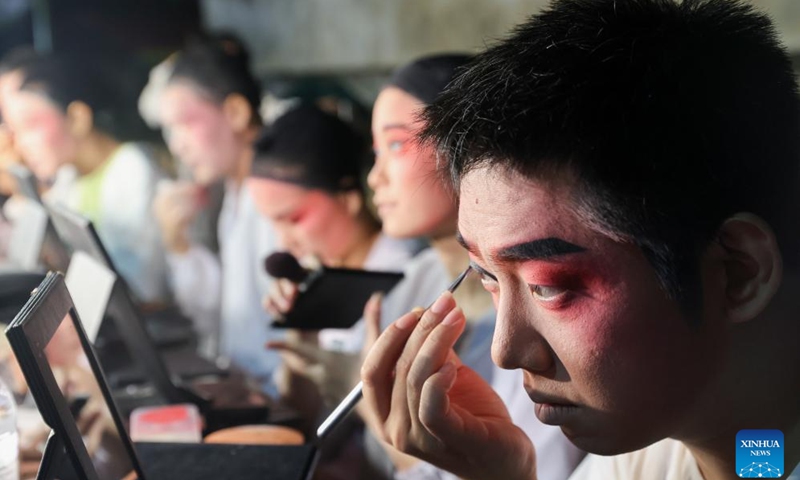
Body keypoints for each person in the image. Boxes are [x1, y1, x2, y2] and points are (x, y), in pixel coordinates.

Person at [360, 1, 800, 479]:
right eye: (487, 277)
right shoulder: (681, 456)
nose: (506, 352)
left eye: (548, 286)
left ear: (738, 271)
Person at [358, 54, 582, 480]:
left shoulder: (541, 312)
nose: (374, 177)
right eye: (375, 151)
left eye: (396, 145)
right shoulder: (421, 278)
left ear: (469, 143)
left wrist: (385, 424)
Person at [153, 35, 281, 393]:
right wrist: (178, 243)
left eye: (185, 123)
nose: (176, 145)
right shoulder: (235, 192)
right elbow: (227, 315)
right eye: (170, 130)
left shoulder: (274, 200)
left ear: (236, 112)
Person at [2, 54, 171, 304]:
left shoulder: (133, 169)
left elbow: (145, 287)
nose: (20, 145)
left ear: (77, 118)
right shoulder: (71, 178)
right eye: (15, 131)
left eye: (31, 125)